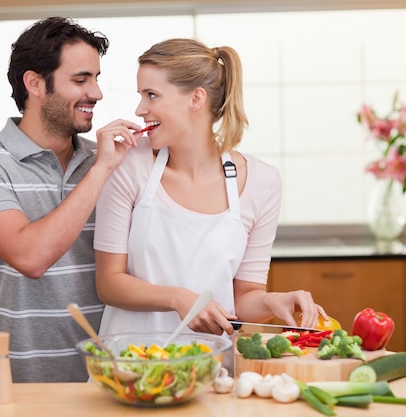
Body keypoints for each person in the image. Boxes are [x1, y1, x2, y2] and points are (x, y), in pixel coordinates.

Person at [93, 38, 328, 361]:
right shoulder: (128, 165)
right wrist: (178, 298)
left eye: (151, 95)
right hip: (129, 367)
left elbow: (244, 297)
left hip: (210, 368)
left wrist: (273, 301)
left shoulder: (262, 182)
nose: (140, 109)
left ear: (196, 98)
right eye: (141, 95)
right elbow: (109, 283)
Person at [0, 17, 143, 383]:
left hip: (113, 381)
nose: (97, 93)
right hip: (22, 385)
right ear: (35, 83)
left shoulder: (107, 158)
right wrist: (100, 170)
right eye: (81, 79)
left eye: (96, 78)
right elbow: (30, 257)